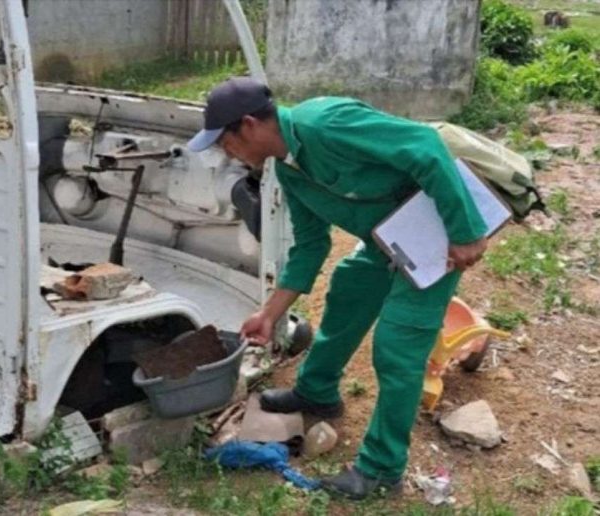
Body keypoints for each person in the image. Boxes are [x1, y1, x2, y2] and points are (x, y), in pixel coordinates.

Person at [187, 77, 488, 499]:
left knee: (397, 345)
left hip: (435, 234)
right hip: (389, 239)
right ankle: (318, 393)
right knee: (347, 289)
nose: (226, 153)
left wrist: (464, 230)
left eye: (225, 142)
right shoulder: (288, 171)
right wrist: (271, 314)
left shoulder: (325, 123)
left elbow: (424, 146)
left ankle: (382, 470)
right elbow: (311, 246)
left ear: (250, 125)